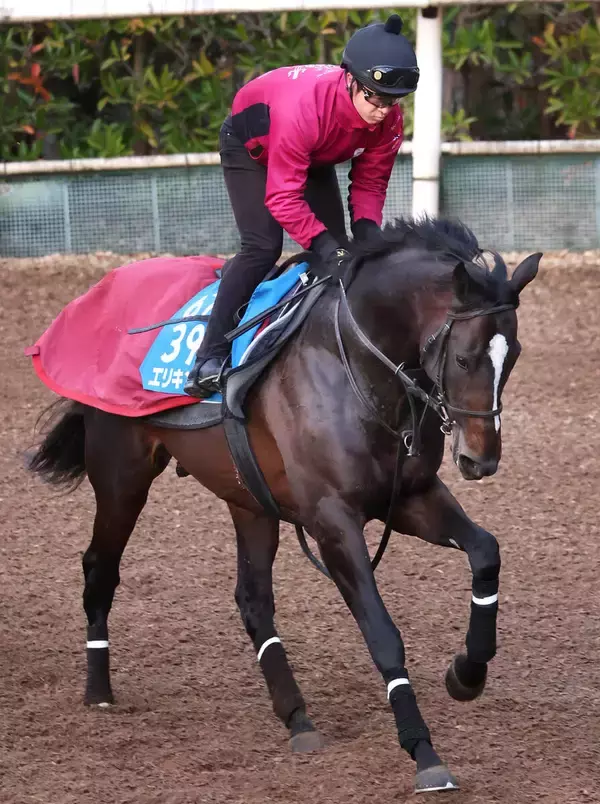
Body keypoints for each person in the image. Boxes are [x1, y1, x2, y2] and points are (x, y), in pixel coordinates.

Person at [184, 13, 419, 398]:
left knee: (343, 255)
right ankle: (208, 357)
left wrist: (366, 234)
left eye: (393, 101)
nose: (382, 110)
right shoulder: (306, 109)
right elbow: (282, 197)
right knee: (263, 247)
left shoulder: (389, 119)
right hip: (253, 149)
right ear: (349, 80)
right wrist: (324, 243)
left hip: (314, 156)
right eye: (374, 97)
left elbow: (370, 182)